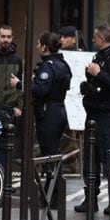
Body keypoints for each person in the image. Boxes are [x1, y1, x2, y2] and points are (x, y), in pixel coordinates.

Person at [74, 24, 110, 213]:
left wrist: (99, 74)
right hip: (93, 113)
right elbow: (96, 82)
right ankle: (90, 198)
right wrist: (87, 85)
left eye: (95, 37)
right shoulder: (99, 56)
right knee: (90, 157)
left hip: (108, 115)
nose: (92, 40)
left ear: (102, 39)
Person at [32, 32, 73, 209]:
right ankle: (53, 195)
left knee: (49, 155)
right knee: (54, 154)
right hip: (60, 110)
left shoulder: (48, 66)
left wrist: (21, 84)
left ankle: (52, 197)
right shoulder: (63, 63)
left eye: (38, 43)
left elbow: (40, 90)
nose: (36, 46)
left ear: (44, 47)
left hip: (49, 112)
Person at [0, 24, 24, 168]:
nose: (5, 40)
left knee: (7, 146)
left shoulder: (17, 60)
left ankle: (3, 180)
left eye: (8, 37)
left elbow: (21, 85)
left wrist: (19, 106)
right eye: (3, 36)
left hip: (10, 109)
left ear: (12, 38)